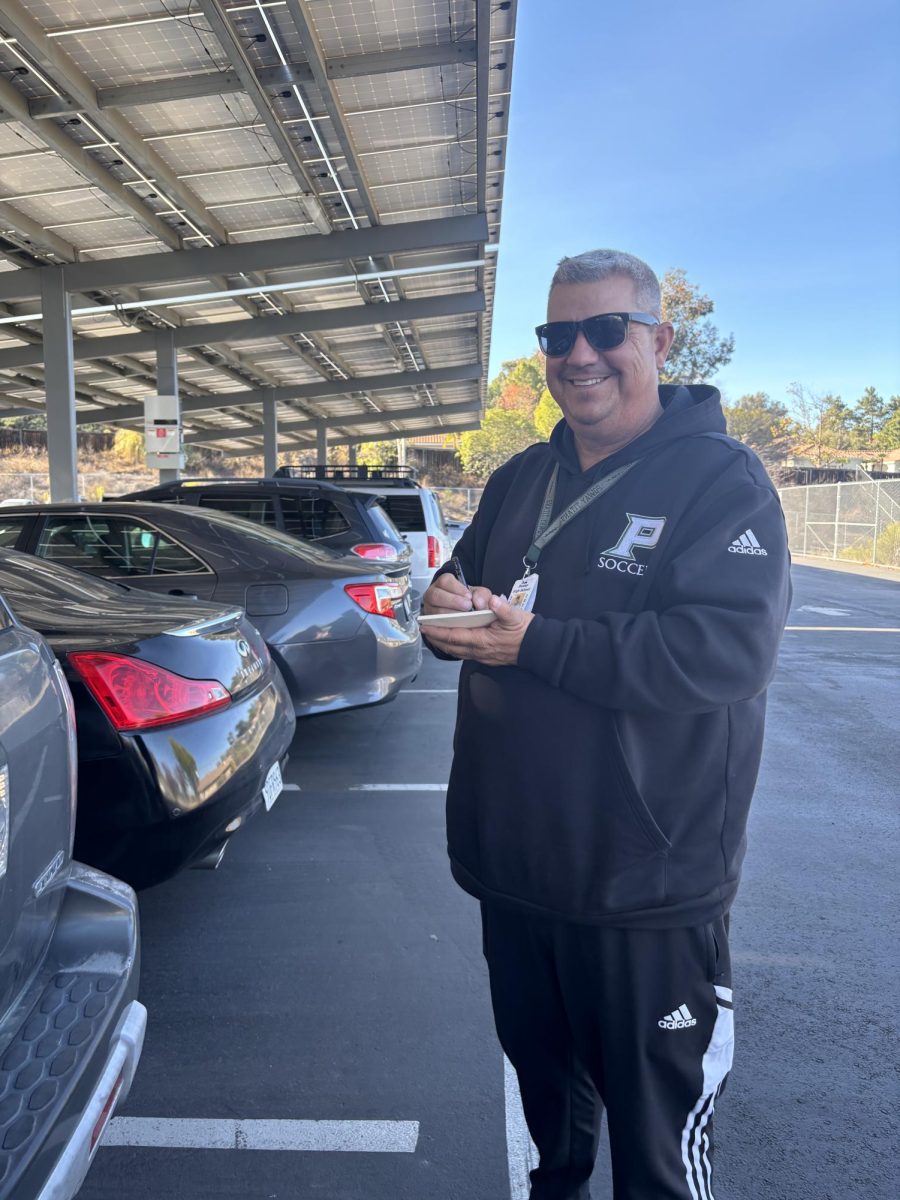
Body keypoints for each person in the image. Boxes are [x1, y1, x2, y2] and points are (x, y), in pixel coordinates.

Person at [420, 249, 791, 1200]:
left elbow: (723, 653)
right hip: (518, 875)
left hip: (645, 886)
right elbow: (457, 595)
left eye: (604, 330)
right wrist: (446, 602)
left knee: (657, 1159)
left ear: (659, 341)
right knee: (554, 1136)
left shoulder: (722, 481)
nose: (578, 354)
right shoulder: (517, 480)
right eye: (557, 335)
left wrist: (533, 645)